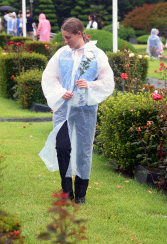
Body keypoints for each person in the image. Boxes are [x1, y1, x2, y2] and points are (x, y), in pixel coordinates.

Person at [39, 18, 115, 204]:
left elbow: (107, 82)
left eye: (68, 37)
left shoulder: (96, 55)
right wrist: (60, 92)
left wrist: (90, 84)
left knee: (83, 150)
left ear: (79, 34)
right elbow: (50, 77)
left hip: (85, 110)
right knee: (62, 147)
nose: (65, 41)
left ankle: (80, 193)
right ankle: (67, 191)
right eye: (64, 37)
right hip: (63, 110)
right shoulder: (61, 54)